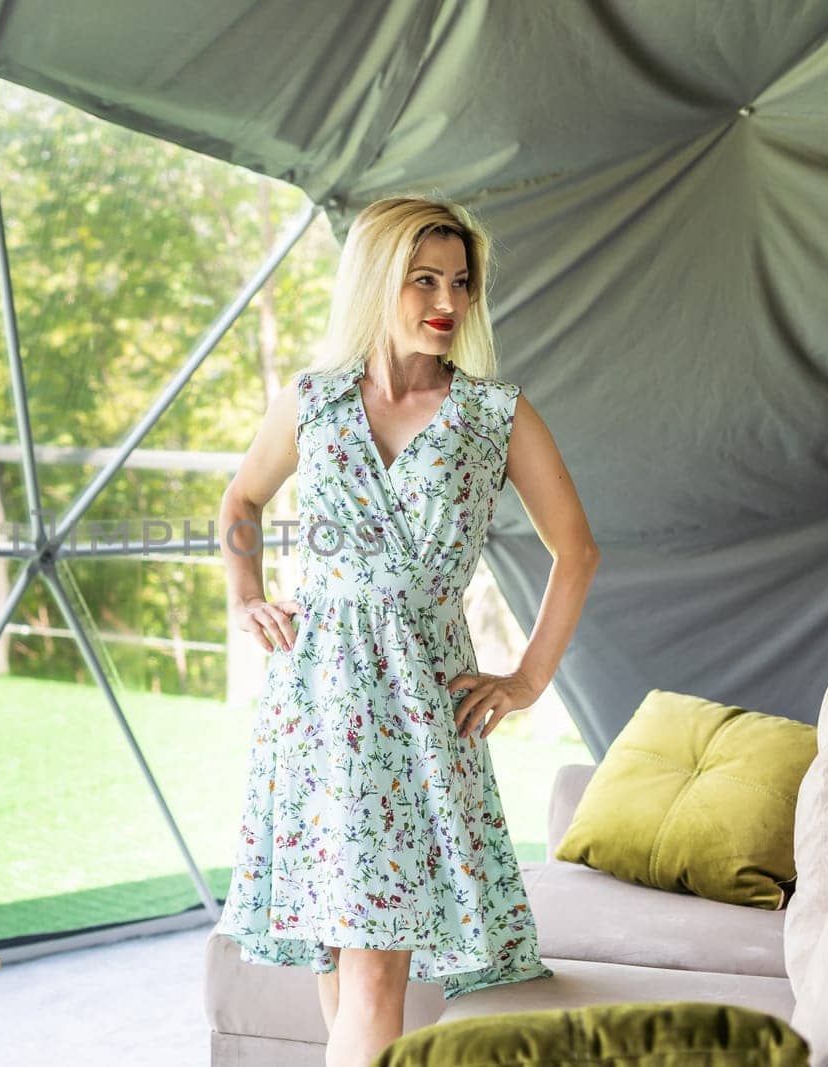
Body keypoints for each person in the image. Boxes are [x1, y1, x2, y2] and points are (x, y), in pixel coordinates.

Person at [212, 194, 600, 1067]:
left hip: (421, 709)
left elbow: (576, 551)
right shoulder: (311, 403)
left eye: (460, 282)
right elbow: (241, 499)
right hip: (315, 703)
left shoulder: (493, 414)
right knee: (340, 954)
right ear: (377, 281)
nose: (447, 301)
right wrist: (247, 595)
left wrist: (527, 679)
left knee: (374, 971)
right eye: (424, 278)